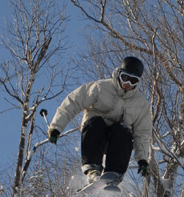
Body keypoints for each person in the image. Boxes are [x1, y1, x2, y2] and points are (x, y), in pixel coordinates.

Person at [47, 56, 152, 186]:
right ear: (119, 74)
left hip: (116, 142)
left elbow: (142, 133)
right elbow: (73, 102)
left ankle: (114, 173)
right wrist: (56, 127)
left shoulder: (141, 104)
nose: (127, 84)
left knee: (122, 130)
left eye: (133, 81)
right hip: (95, 134)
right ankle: (92, 168)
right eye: (125, 78)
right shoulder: (100, 88)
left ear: (138, 83)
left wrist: (142, 159)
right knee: (96, 122)